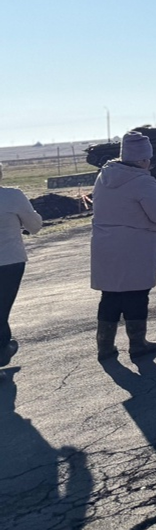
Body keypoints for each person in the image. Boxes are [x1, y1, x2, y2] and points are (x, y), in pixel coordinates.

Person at [90, 131, 156, 361]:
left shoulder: (104, 176)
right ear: (143, 158)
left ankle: (105, 346)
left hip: (104, 245)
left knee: (110, 296)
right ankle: (138, 344)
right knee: (136, 294)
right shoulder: (142, 181)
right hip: (135, 246)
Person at [0, 162, 41, 379]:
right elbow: (34, 225)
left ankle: (4, 348)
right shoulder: (12, 196)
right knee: (2, 308)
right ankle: (3, 351)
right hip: (9, 261)